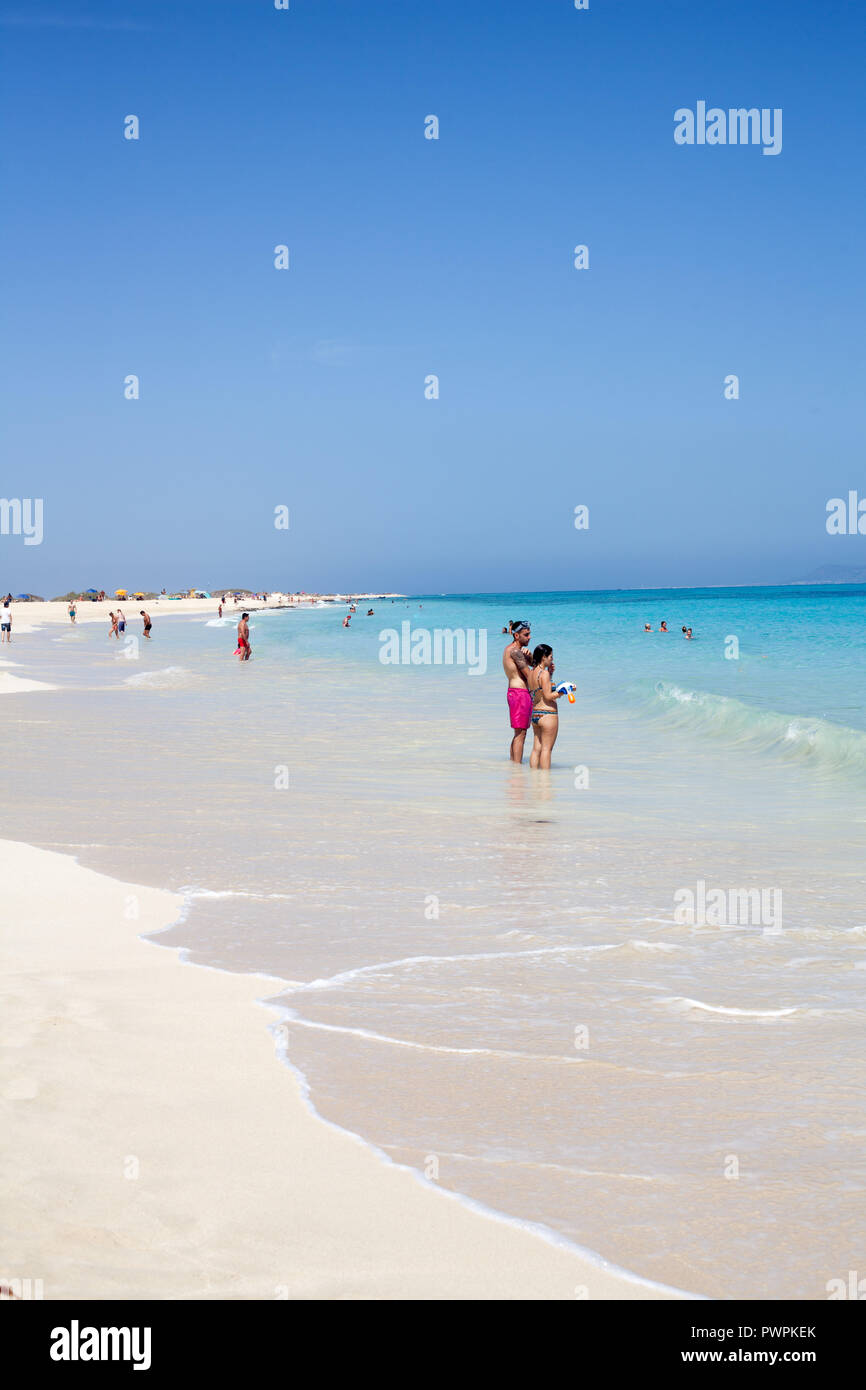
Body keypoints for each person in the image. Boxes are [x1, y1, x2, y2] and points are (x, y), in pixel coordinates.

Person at [528, 644, 565, 770]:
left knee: (536, 749)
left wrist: (551, 673)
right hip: (548, 714)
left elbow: (541, 690)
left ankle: (533, 776)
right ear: (544, 657)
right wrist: (564, 691)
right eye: (550, 657)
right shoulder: (544, 674)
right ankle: (545, 782)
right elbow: (548, 696)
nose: (552, 660)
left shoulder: (532, 673)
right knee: (546, 750)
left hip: (536, 714)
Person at [503, 620, 533, 762]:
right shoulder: (515, 651)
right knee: (521, 734)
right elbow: (530, 676)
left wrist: (529, 656)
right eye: (526, 635)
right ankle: (517, 770)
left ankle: (513, 769)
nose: (529, 637)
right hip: (520, 694)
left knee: (518, 733)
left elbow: (533, 664)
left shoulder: (513, 650)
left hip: (514, 692)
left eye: (529, 634)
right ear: (516, 635)